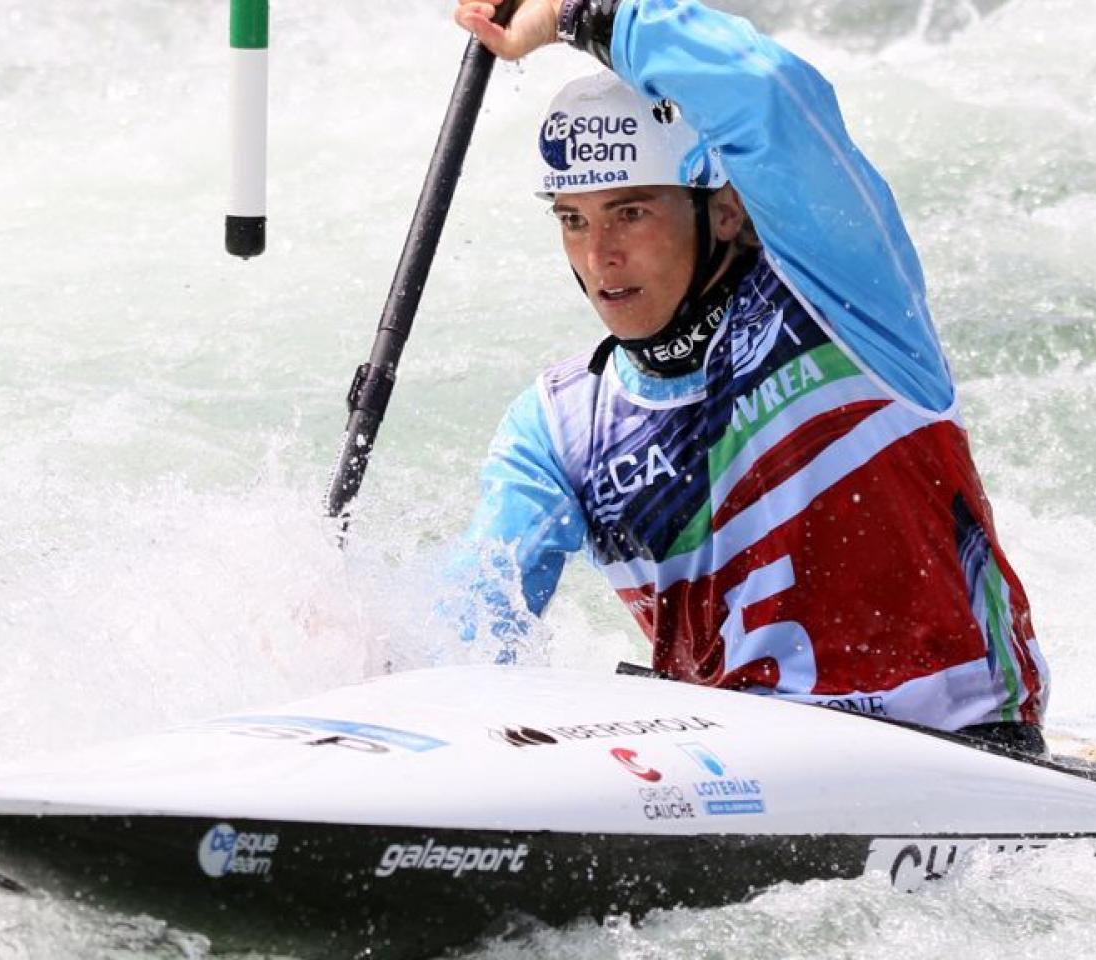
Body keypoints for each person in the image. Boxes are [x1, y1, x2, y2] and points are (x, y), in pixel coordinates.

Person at [445, 0, 1050, 752]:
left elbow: (771, 94)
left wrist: (583, 13)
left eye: (631, 212)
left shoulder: (845, 298)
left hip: (959, 750)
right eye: (573, 218)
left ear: (726, 210)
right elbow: (474, 627)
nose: (599, 255)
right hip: (736, 770)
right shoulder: (561, 422)